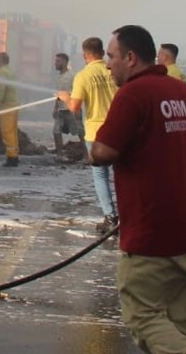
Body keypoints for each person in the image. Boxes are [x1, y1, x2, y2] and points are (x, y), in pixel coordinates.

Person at [88, 25, 186, 354]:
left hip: (154, 235)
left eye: (112, 56)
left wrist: (93, 145)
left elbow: (102, 152)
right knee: (181, 322)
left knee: (142, 317)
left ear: (130, 58)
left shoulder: (133, 94)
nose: (107, 64)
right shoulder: (182, 91)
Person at [57, 37, 119, 232]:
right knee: (122, 175)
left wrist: (65, 97)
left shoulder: (83, 76)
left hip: (96, 133)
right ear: (102, 52)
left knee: (100, 175)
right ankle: (129, 212)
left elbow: (75, 107)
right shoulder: (113, 71)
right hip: (118, 130)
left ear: (85, 55)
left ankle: (110, 216)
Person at [52, 53, 86, 162]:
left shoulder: (72, 76)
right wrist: (55, 108)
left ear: (65, 62)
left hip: (72, 109)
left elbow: (78, 92)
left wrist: (76, 108)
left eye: (58, 61)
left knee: (80, 132)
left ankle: (87, 155)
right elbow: (58, 95)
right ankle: (60, 155)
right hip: (61, 110)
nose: (56, 63)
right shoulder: (58, 77)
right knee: (56, 131)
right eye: (56, 61)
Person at [0, 52, 21, 167]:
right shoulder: (9, 71)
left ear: (1, 60)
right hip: (14, 105)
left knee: (7, 132)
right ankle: (14, 155)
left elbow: (1, 89)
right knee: (12, 132)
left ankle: (12, 158)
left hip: (7, 106)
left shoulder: (2, 72)